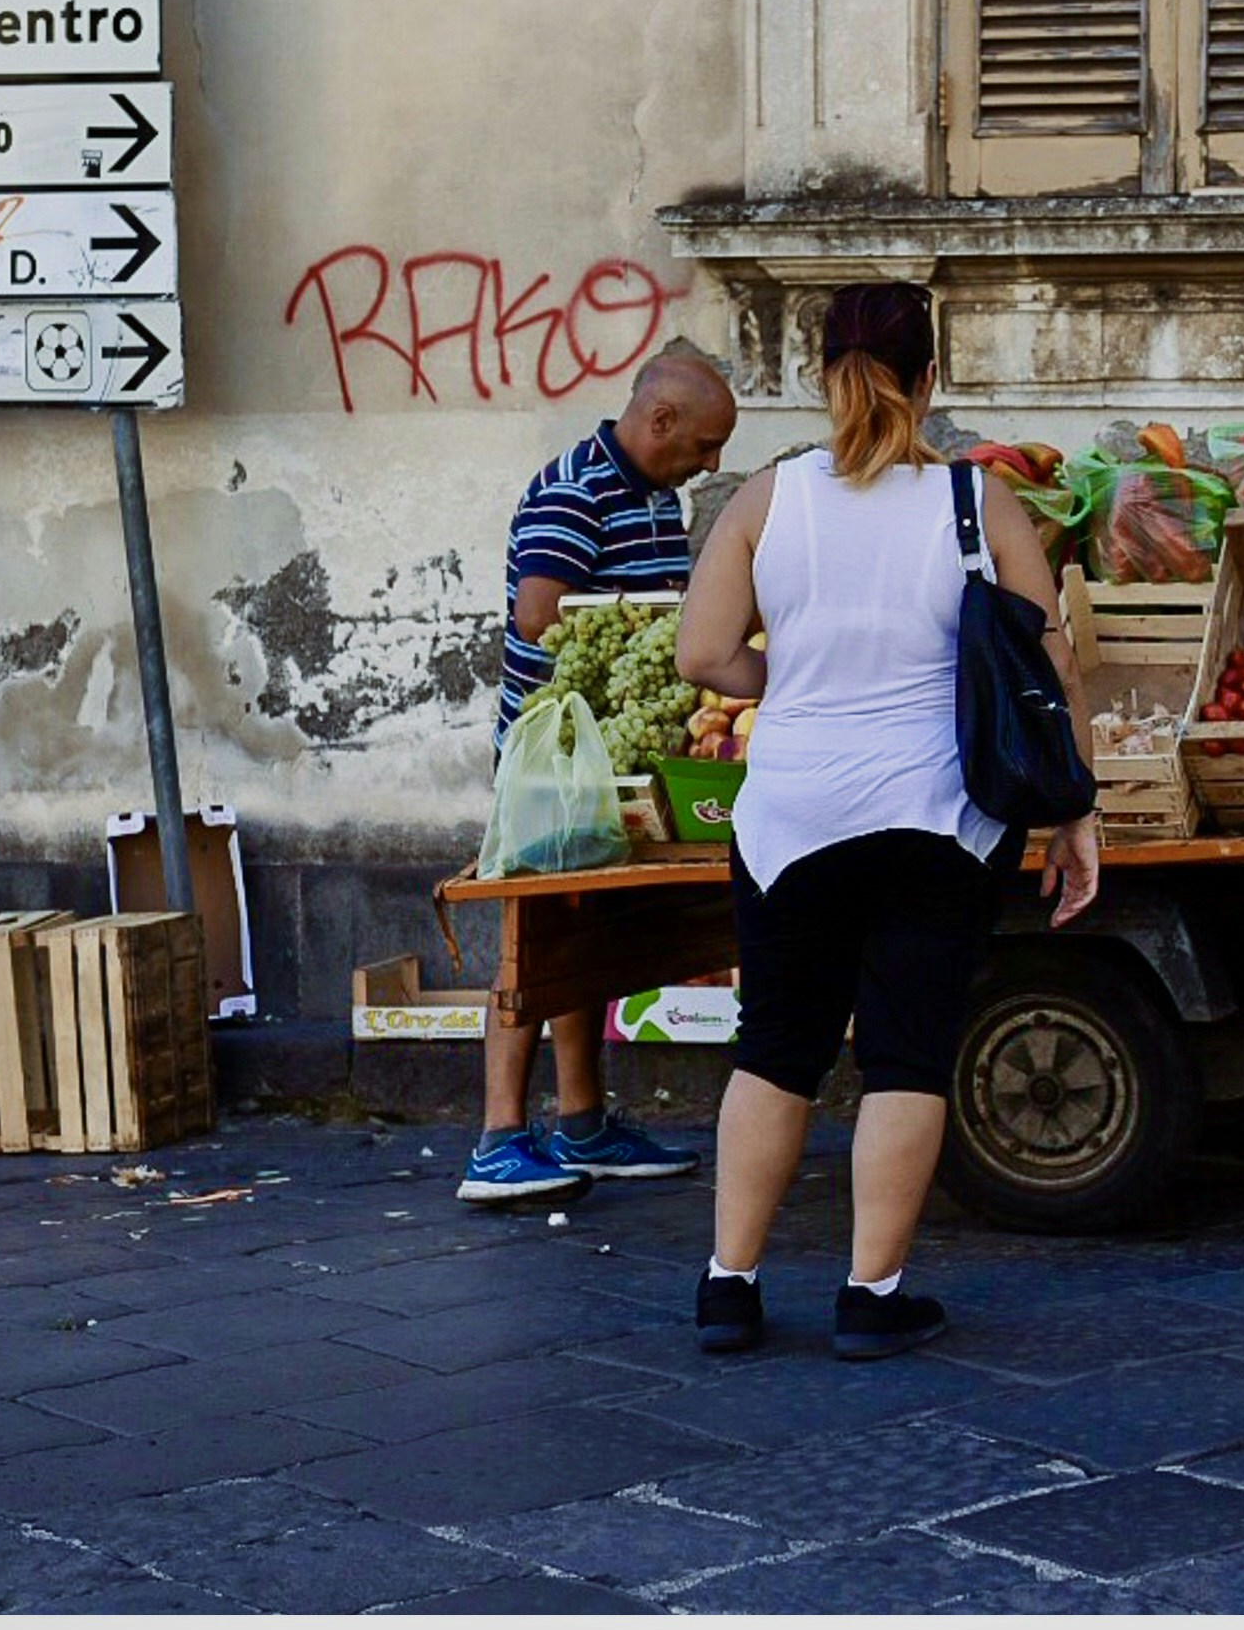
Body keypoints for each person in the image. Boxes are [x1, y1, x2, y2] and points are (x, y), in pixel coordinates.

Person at [674, 282, 1098, 1358]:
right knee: (906, 1054)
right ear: (930, 379)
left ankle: (729, 1284)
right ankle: (871, 1294)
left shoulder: (766, 500)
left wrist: (792, 668)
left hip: (790, 814)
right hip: (933, 815)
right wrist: (1075, 816)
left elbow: (701, 655)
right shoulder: (977, 501)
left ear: (820, 377)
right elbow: (1049, 664)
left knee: (775, 1048)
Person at [461, 348, 742, 1206]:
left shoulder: (654, 494)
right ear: (658, 423)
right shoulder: (572, 493)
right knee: (534, 935)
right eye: (703, 443)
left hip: (605, 761)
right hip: (551, 760)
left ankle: (584, 1121)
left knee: (582, 938)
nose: (712, 464)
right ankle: (498, 1139)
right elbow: (543, 616)